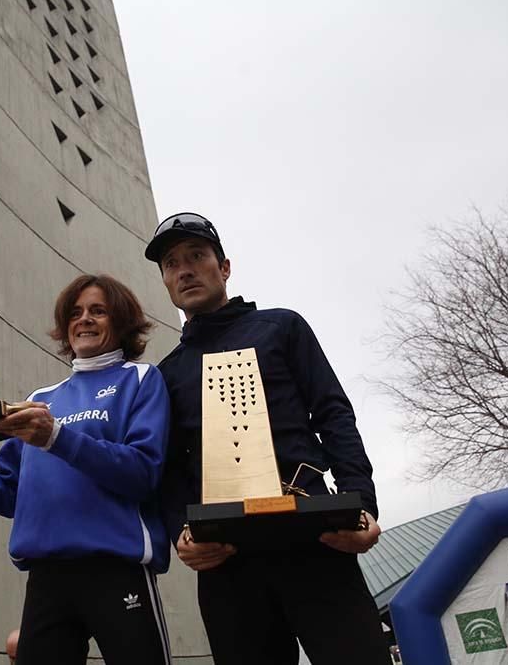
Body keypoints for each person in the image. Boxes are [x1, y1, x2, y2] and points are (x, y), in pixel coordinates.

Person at [145, 212, 390, 665]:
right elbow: (171, 464)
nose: (184, 270)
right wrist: (181, 528)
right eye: (172, 264)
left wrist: (363, 504)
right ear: (164, 280)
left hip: (315, 536)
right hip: (227, 556)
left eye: (197, 256)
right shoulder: (168, 372)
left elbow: (333, 413)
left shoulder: (283, 327)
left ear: (224, 267)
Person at [0, 274, 173, 665]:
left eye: (98, 311)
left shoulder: (142, 379)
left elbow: (143, 473)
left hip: (116, 567)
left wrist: (57, 437)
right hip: (46, 577)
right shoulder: (40, 400)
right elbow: (11, 495)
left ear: (122, 321)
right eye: (75, 313)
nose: (85, 319)